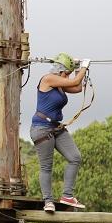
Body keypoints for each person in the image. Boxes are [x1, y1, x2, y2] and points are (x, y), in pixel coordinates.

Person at [30, 53, 90, 213]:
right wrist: (84, 66)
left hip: (56, 128)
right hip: (41, 128)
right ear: (61, 70)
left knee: (75, 157)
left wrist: (78, 69)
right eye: (67, 73)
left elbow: (77, 87)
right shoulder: (48, 79)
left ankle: (67, 196)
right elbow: (75, 81)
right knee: (46, 167)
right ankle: (48, 201)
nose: (68, 76)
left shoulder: (60, 84)